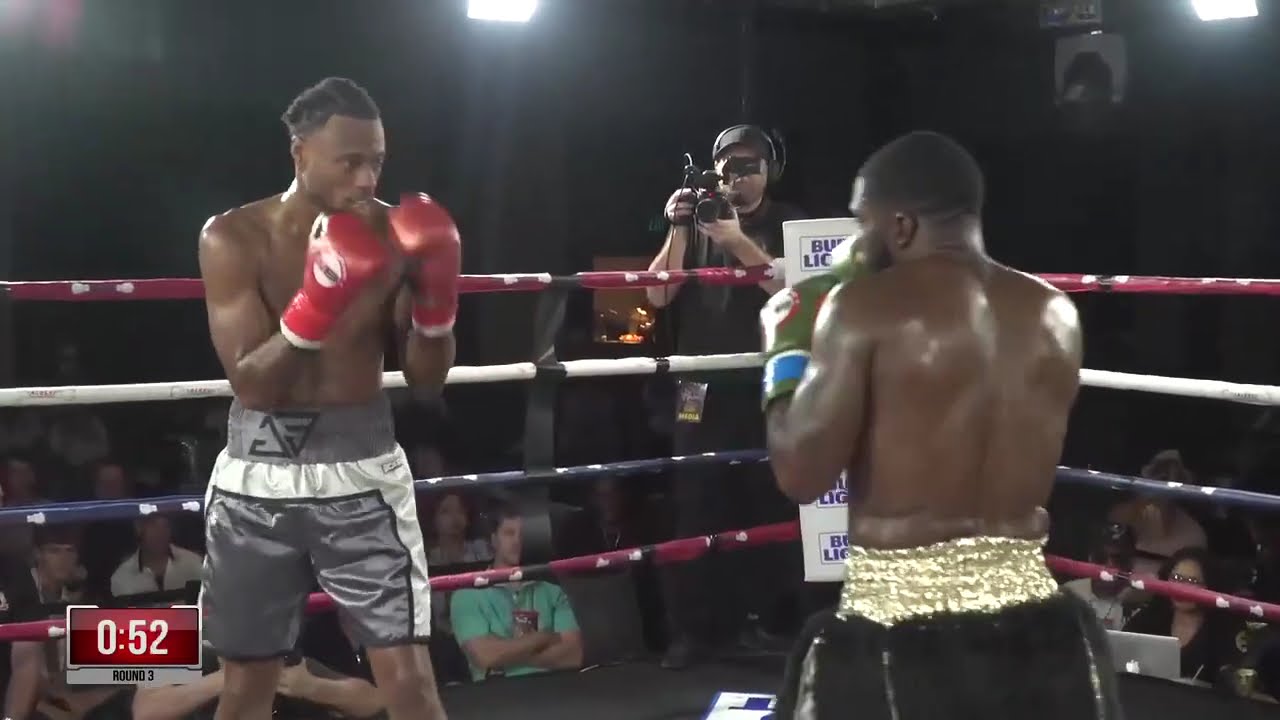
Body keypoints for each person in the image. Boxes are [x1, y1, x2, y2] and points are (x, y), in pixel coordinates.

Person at [760, 131, 1123, 719]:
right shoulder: (1056, 311)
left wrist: (783, 353)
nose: (857, 240)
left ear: (901, 226)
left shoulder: (862, 308)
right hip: (1036, 629)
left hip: (897, 633)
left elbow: (800, 474)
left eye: (863, 221)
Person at [196, 77, 457, 720]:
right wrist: (318, 302)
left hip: (362, 470)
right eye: (350, 161)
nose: (368, 178)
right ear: (300, 154)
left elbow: (426, 381)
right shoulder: (233, 237)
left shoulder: (396, 234)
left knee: (409, 680)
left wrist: (436, 310)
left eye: (378, 162)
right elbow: (253, 386)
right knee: (248, 685)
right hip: (257, 475)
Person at [644, 124, 808, 668]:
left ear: (769, 171)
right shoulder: (697, 219)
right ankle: (694, 630)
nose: (738, 176)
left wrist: (735, 239)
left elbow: (790, 290)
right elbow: (657, 295)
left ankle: (769, 621)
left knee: (767, 497)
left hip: (765, 380)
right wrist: (678, 227)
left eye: (749, 166)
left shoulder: (786, 222)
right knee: (696, 500)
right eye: (729, 166)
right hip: (698, 384)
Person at [450, 504, 583, 681]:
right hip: (496, 693)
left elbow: (573, 656)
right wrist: (543, 637)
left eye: (523, 535)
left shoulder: (553, 591)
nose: (517, 541)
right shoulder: (466, 595)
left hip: (553, 688)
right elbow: (485, 656)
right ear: (494, 540)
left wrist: (506, 654)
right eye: (509, 533)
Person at [1124, 547, 1245, 686]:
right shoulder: (1149, 617)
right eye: (1177, 578)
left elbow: (1231, 683)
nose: (1182, 588)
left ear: (1210, 586)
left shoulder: (1225, 630)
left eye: (1193, 581)